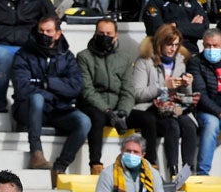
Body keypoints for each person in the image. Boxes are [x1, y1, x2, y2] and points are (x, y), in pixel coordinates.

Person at [10, 16, 92, 181]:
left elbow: (76, 88)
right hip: (28, 108)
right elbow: (22, 87)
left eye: (48, 31)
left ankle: (60, 166)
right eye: (41, 31)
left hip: (58, 109)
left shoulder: (67, 57)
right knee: (37, 98)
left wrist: (47, 84)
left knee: (84, 121)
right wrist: (51, 92)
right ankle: (36, 154)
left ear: (57, 34)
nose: (44, 34)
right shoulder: (24, 54)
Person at [128, 22, 198, 181]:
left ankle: (188, 171)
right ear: (160, 43)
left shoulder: (180, 61)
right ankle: (173, 171)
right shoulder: (144, 61)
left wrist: (187, 84)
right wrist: (162, 87)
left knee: (189, 125)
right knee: (172, 126)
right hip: (152, 108)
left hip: (174, 106)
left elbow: (185, 95)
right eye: (169, 44)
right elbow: (138, 93)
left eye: (176, 45)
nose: (173, 49)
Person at [76, 17, 136, 175]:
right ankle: (95, 165)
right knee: (97, 119)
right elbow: (87, 90)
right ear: (95, 34)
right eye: (101, 33)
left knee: (148, 120)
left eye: (108, 33)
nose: (104, 36)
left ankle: (152, 165)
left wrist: (123, 112)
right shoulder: (84, 56)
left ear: (115, 36)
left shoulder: (125, 58)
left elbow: (128, 89)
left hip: (118, 106)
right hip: (95, 106)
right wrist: (108, 111)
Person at [190, 28, 221, 176]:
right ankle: (202, 172)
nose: (211, 49)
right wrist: (219, 112)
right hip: (205, 110)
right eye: (208, 46)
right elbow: (200, 95)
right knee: (212, 124)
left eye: (215, 46)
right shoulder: (196, 62)